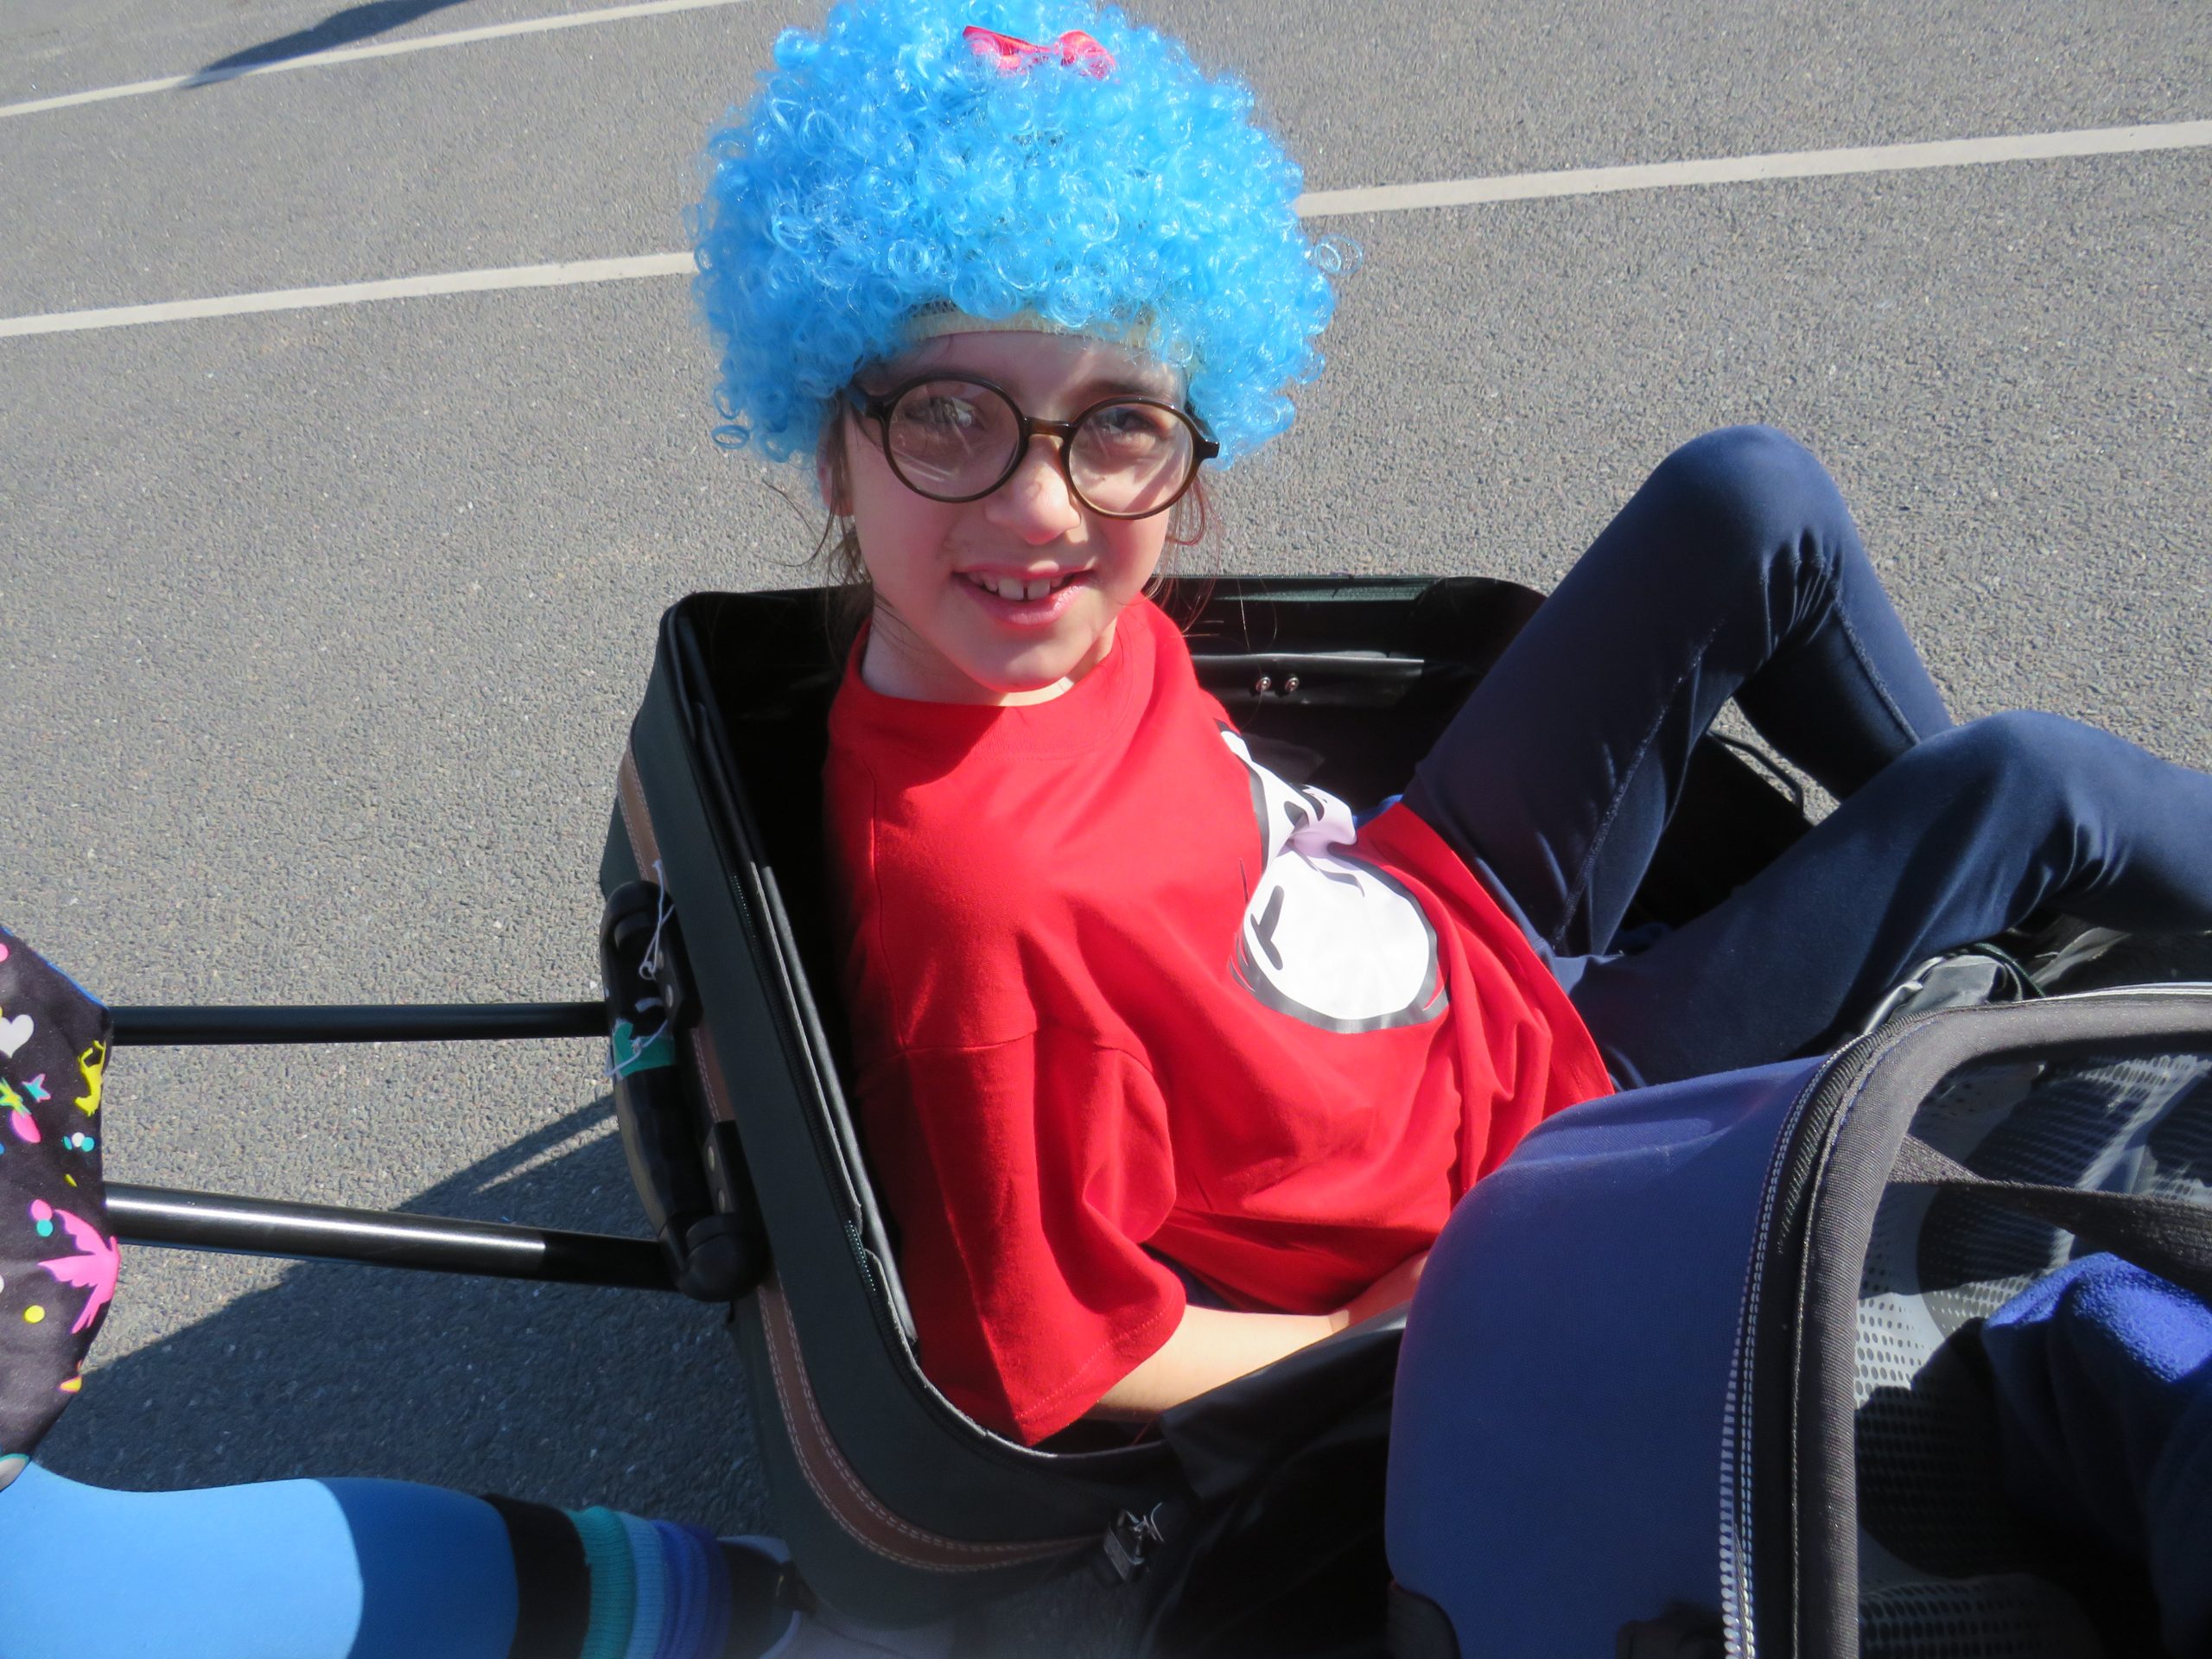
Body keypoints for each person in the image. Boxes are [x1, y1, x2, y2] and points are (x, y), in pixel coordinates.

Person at [9, 1, 2212, 1653]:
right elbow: (1059, 1363)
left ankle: (1982, 947)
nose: (1040, 508)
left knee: (1751, 499)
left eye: (1115, 426)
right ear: (827, 436)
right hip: (1538, 1122)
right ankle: (2003, 917)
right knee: (2022, 788)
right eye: (947, 417)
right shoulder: (982, 909)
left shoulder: (1004, 637)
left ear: (1185, 431)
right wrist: (1445, 1299)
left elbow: (1222, 850)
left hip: (1412, 912)